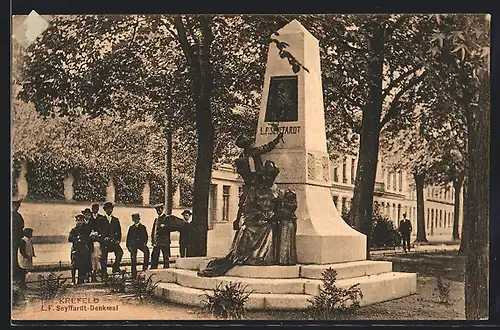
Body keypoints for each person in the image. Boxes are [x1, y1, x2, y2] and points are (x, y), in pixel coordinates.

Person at [233, 127, 284, 230]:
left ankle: (239, 220)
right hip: (258, 181)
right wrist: (277, 139)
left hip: (252, 182)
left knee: (245, 201)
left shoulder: (242, 156)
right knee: (252, 201)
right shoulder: (253, 152)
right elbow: (267, 147)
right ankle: (240, 220)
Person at [100, 202, 123, 276]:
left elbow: (119, 232)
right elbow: (99, 232)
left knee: (120, 252)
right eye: (107, 209)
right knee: (103, 256)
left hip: (113, 242)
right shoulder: (101, 220)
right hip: (105, 242)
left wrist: (117, 240)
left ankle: (115, 267)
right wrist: (103, 238)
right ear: (104, 210)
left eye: (110, 209)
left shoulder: (115, 220)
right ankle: (104, 271)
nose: (109, 210)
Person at [69, 214, 91, 285]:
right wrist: (77, 239)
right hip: (76, 249)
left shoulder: (86, 229)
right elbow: (69, 238)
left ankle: (81, 280)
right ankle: (73, 280)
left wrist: (83, 240)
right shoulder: (73, 230)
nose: (79, 222)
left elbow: (88, 238)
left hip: (83, 249)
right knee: (74, 265)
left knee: (83, 264)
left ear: (83, 221)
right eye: (78, 220)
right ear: (76, 221)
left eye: (81, 220)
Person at [126, 213, 149, 278]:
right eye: (134, 219)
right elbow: (128, 238)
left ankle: (145, 268)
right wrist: (128, 246)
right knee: (133, 256)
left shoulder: (142, 227)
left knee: (146, 251)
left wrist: (145, 243)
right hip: (133, 244)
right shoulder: (131, 228)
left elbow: (146, 236)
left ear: (139, 219)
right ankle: (133, 272)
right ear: (133, 220)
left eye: (137, 219)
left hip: (141, 244)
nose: (136, 220)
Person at [88, 203, 107, 282]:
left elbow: (103, 229)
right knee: (91, 257)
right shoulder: (89, 218)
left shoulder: (101, 218)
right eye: (94, 208)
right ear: (92, 209)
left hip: (98, 240)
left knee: (98, 256)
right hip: (90, 241)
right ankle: (92, 274)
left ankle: (98, 272)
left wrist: (98, 236)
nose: (95, 210)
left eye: (97, 208)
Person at [150, 204, 171, 269]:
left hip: (164, 242)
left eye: (159, 209)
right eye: (157, 210)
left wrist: (165, 227)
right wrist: (153, 240)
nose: (158, 211)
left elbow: (171, 228)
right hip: (157, 242)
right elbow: (154, 230)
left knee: (165, 257)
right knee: (154, 256)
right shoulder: (156, 219)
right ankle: (153, 269)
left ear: (162, 209)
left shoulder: (167, 218)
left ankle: (166, 270)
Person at [12, 199, 25, 285]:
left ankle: (15, 273)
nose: (17, 207)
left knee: (14, 256)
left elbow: (21, 228)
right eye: (16, 205)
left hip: (16, 240)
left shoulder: (18, 216)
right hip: (13, 239)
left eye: (18, 206)